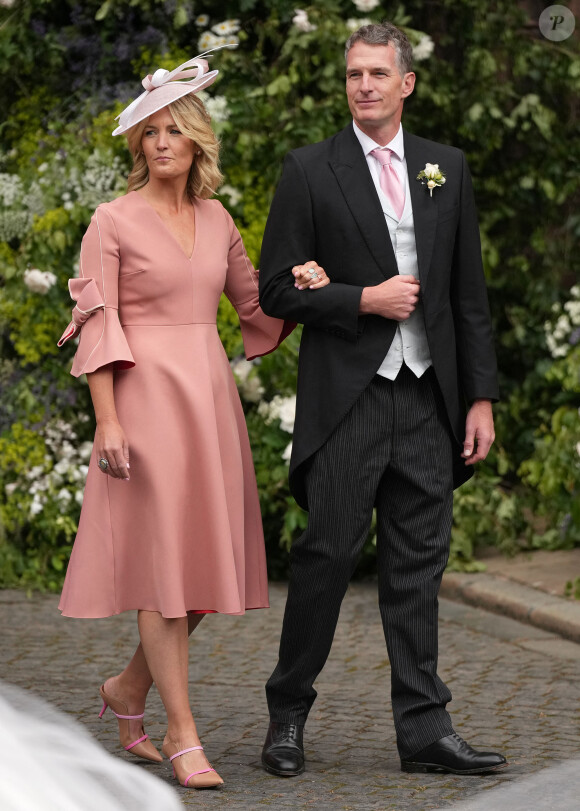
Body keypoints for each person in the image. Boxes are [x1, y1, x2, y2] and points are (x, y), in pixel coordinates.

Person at [57, 50, 328, 790]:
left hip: (207, 404)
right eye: (151, 132)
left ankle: (127, 688)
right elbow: (96, 325)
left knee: (202, 579)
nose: (163, 142)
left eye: (175, 129)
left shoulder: (218, 219)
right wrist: (107, 422)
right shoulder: (110, 220)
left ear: (197, 138)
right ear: (138, 144)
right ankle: (181, 732)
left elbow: (255, 309)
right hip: (143, 406)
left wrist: (305, 286)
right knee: (162, 577)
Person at [258, 22, 507, 777]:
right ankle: (288, 715)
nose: (363, 84)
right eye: (353, 74)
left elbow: (469, 295)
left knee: (417, 567)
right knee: (326, 557)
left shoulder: (445, 168)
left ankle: (425, 729)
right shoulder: (308, 170)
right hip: (349, 400)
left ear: (406, 83)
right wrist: (362, 298)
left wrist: (481, 399)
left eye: (377, 73)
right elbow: (274, 291)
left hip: (429, 398)